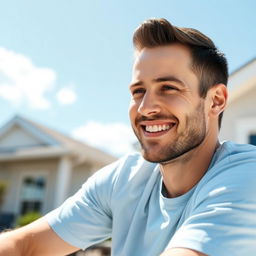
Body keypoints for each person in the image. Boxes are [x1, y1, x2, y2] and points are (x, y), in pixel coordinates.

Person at [1, 18, 256, 256]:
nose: (145, 107)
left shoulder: (247, 175)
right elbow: (26, 244)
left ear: (216, 100)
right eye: (138, 91)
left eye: (168, 88)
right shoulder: (123, 180)